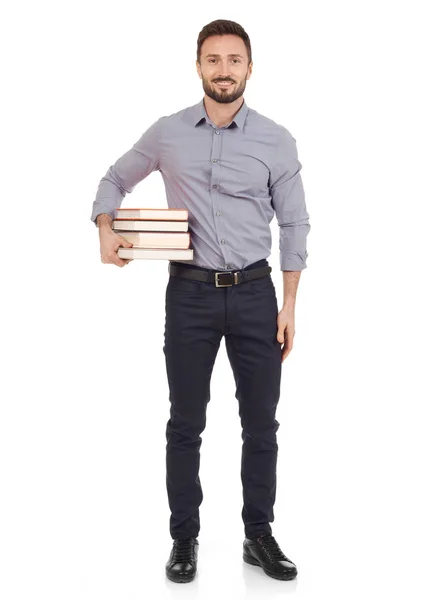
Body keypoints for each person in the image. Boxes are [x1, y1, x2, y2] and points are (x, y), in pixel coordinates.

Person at [91, 19, 310, 583]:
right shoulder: (168, 133)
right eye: (213, 60)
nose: (223, 70)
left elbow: (294, 224)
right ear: (198, 67)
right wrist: (105, 230)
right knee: (185, 423)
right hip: (188, 296)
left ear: (249, 68)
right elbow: (113, 180)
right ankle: (183, 539)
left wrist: (289, 305)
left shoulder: (276, 139)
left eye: (234, 60)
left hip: (257, 294)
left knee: (261, 424)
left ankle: (257, 535)